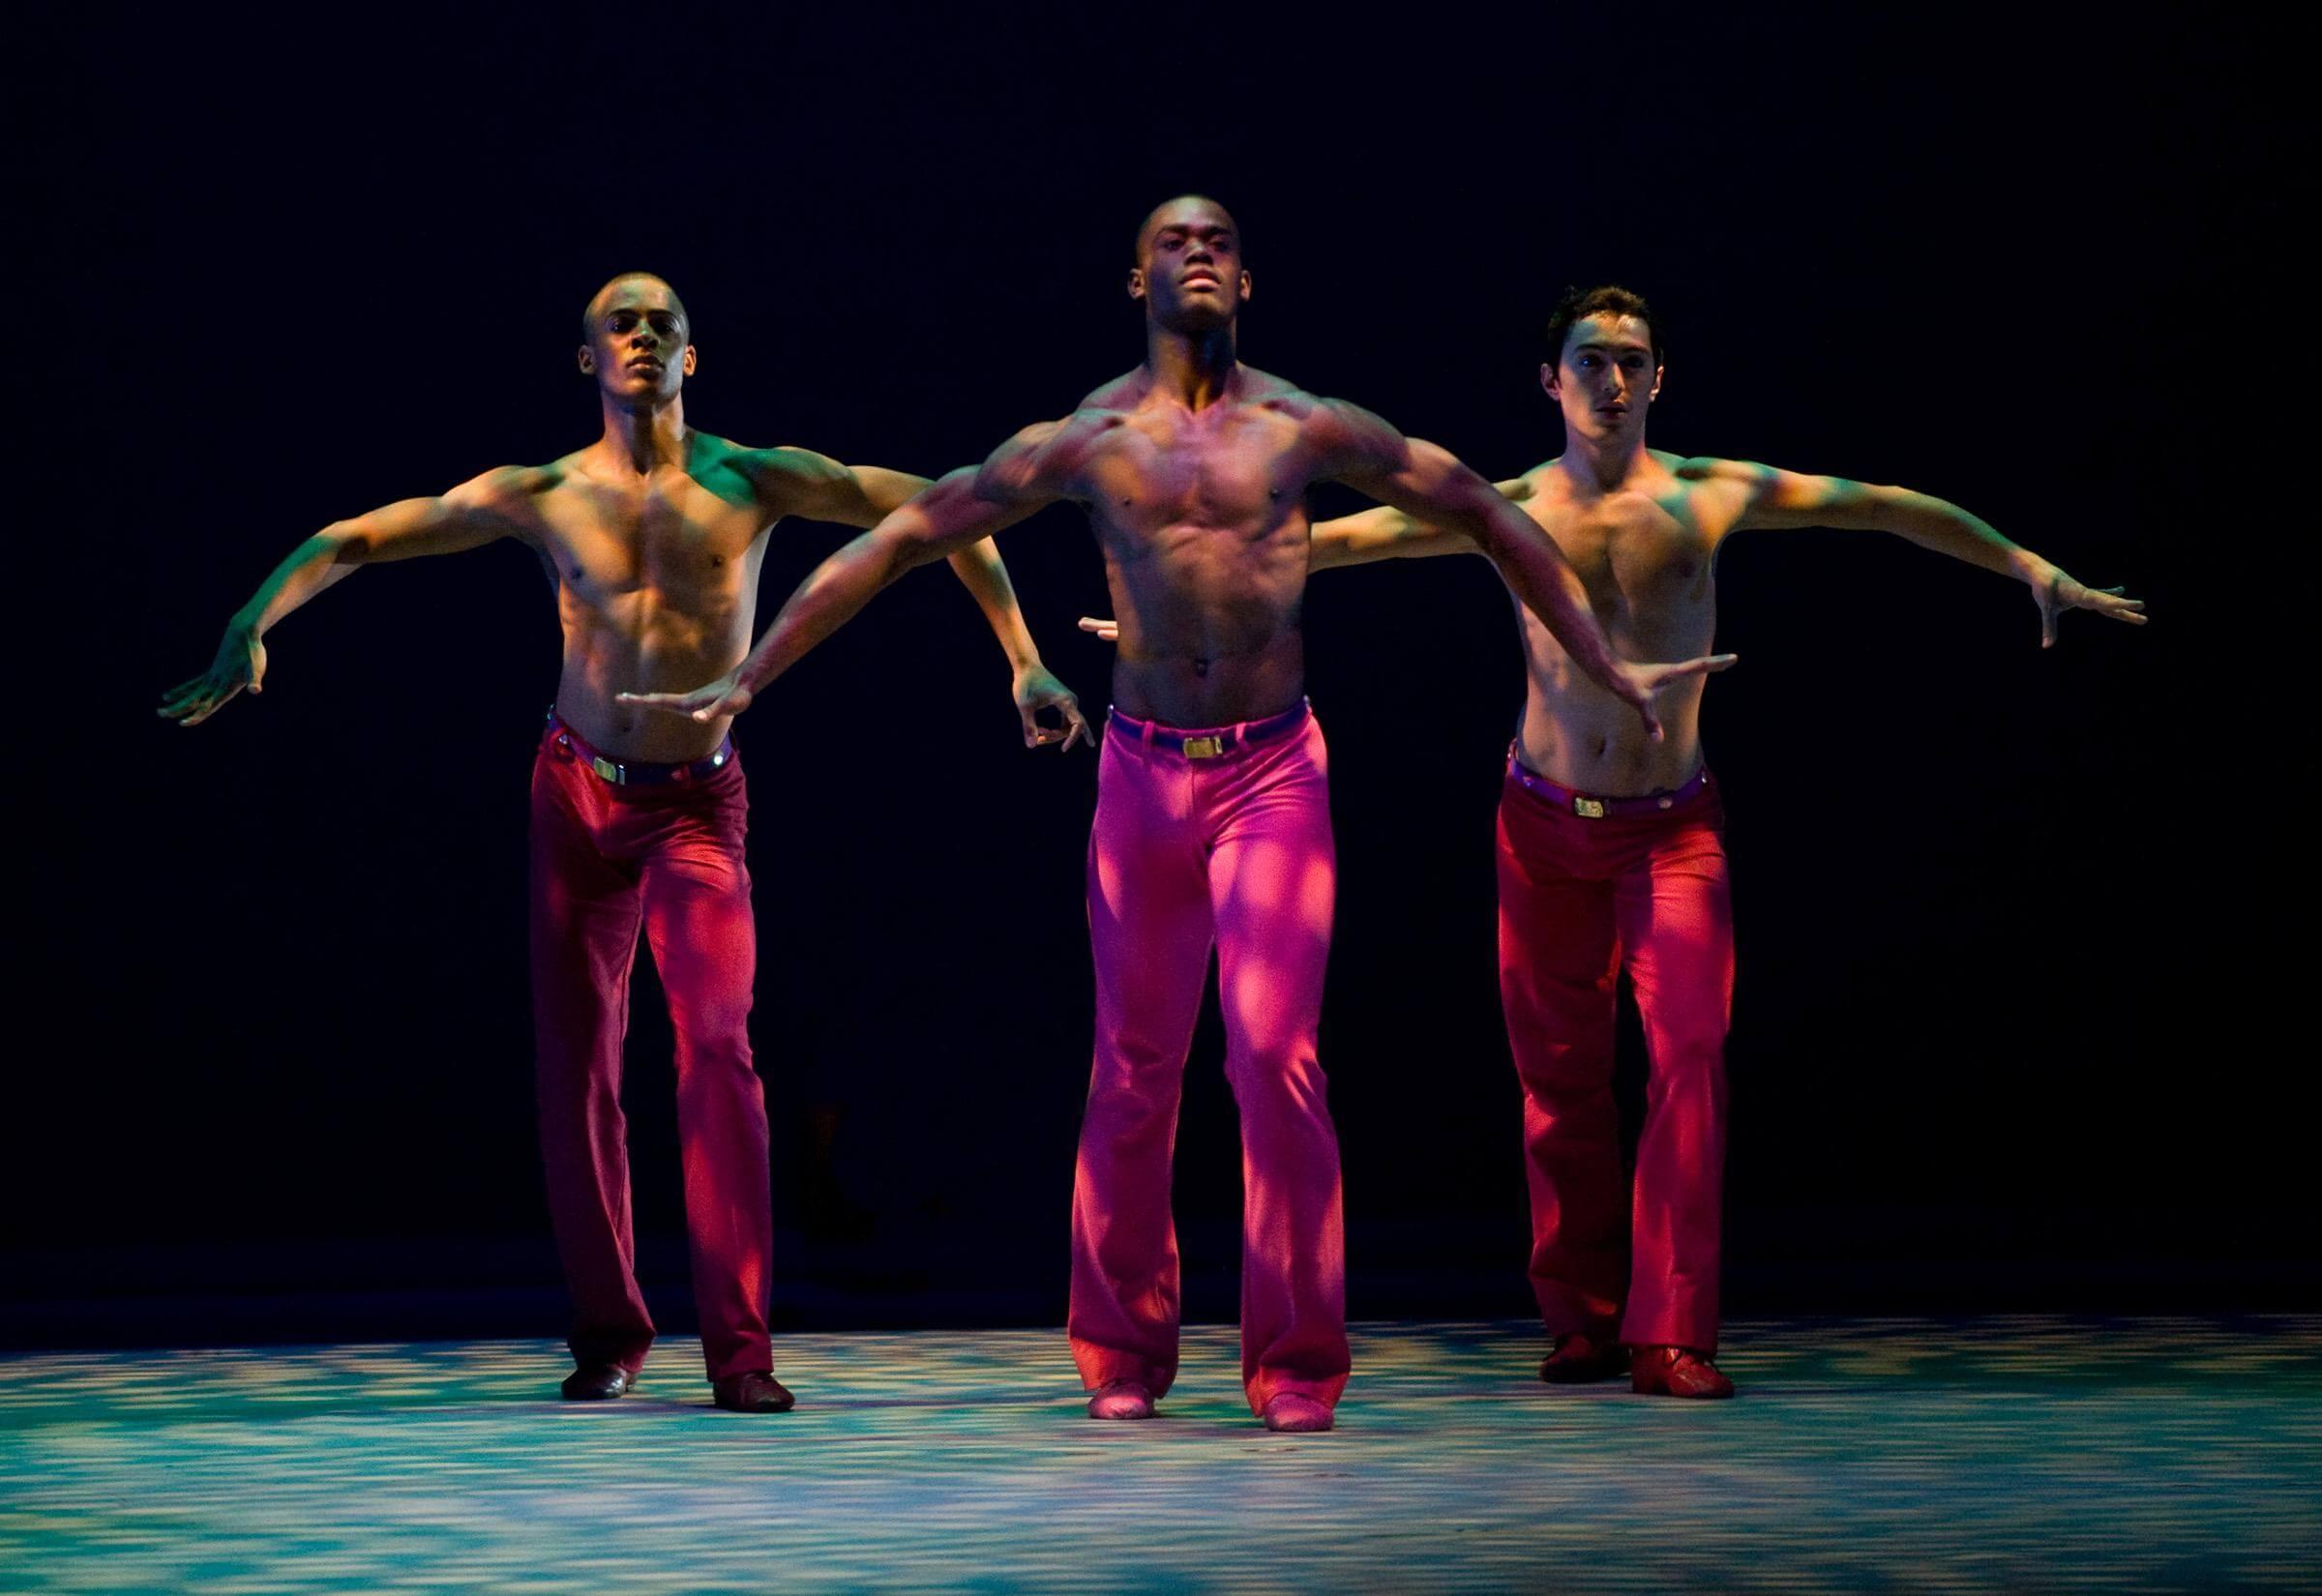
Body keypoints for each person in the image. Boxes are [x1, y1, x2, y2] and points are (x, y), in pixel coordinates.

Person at [619, 208, 1730, 1430]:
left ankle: (1298, 1362)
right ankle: (1122, 1354)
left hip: (1272, 779)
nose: (1195, 250)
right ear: (1135, 275)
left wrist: (1605, 660)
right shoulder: (1088, 438)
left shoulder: (1303, 425)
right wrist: (752, 673)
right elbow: (897, 539)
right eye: (1170, 238)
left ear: (1246, 276)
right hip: (1144, 778)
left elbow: (1491, 513)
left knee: (1273, 1055)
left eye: (1217, 238)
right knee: (1134, 1070)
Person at [159, 272, 1087, 1412]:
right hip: (572, 798)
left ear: (690, 359)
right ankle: (608, 1333)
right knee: (578, 1072)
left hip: (695, 804)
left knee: (718, 1058)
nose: (642, 336)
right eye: (621, 324)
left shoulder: (755, 478)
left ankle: (740, 1354)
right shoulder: (542, 493)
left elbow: (947, 512)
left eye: (663, 325)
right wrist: (251, 623)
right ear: (587, 359)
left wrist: (1021, 655)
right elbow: (354, 539)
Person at [1234, 283, 2146, 1398]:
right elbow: (1336, 544)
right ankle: (1583, 1322)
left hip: (1672, 832)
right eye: (1589, 362)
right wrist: (1175, 606)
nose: (1610, 383)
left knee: (1690, 1064)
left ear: (1658, 378)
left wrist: (2025, 566)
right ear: (1549, 379)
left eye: (1631, 362)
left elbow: (1884, 505)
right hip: (1541, 828)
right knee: (1558, 1084)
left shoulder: (1712, 495)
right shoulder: (1508, 509)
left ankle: (1672, 1333)